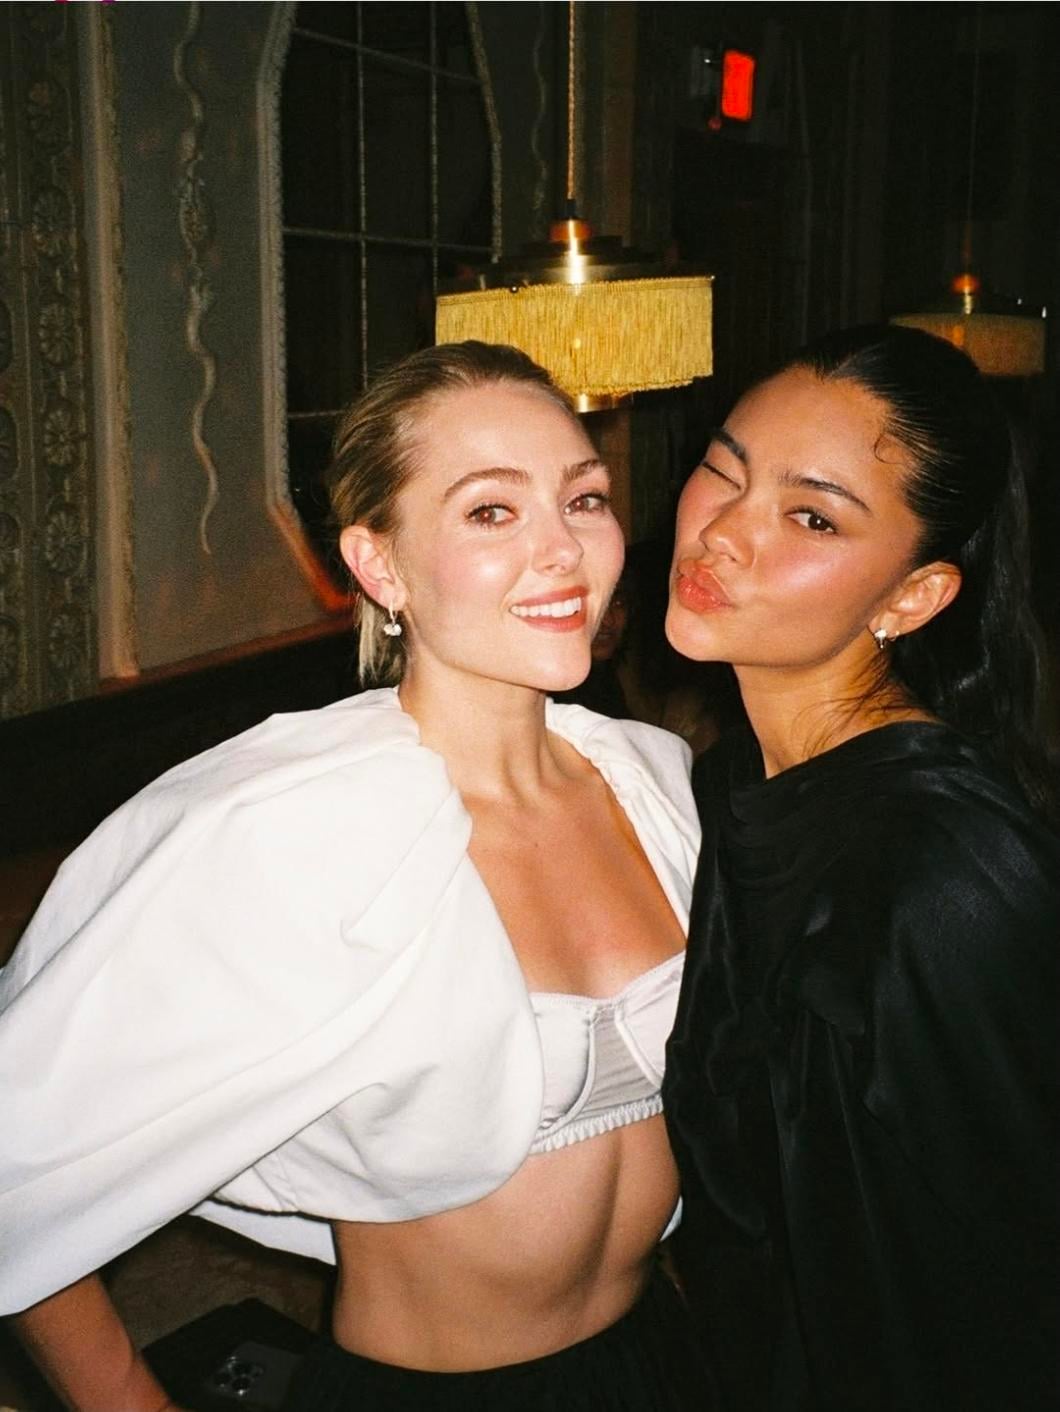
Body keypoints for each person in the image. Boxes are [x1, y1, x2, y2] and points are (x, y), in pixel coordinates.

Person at [0, 342, 712, 1411]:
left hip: (659, 1357)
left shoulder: (655, 779)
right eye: (491, 511)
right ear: (380, 566)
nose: (563, 549)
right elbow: (18, 1145)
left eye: (584, 498)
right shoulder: (291, 826)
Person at [662, 324, 1059, 1411]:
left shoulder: (942, 870)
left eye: (812, 516)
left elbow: (1013, 1279)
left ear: (911, 598)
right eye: (724, 470)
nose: (722, 534)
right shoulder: (733, 781)